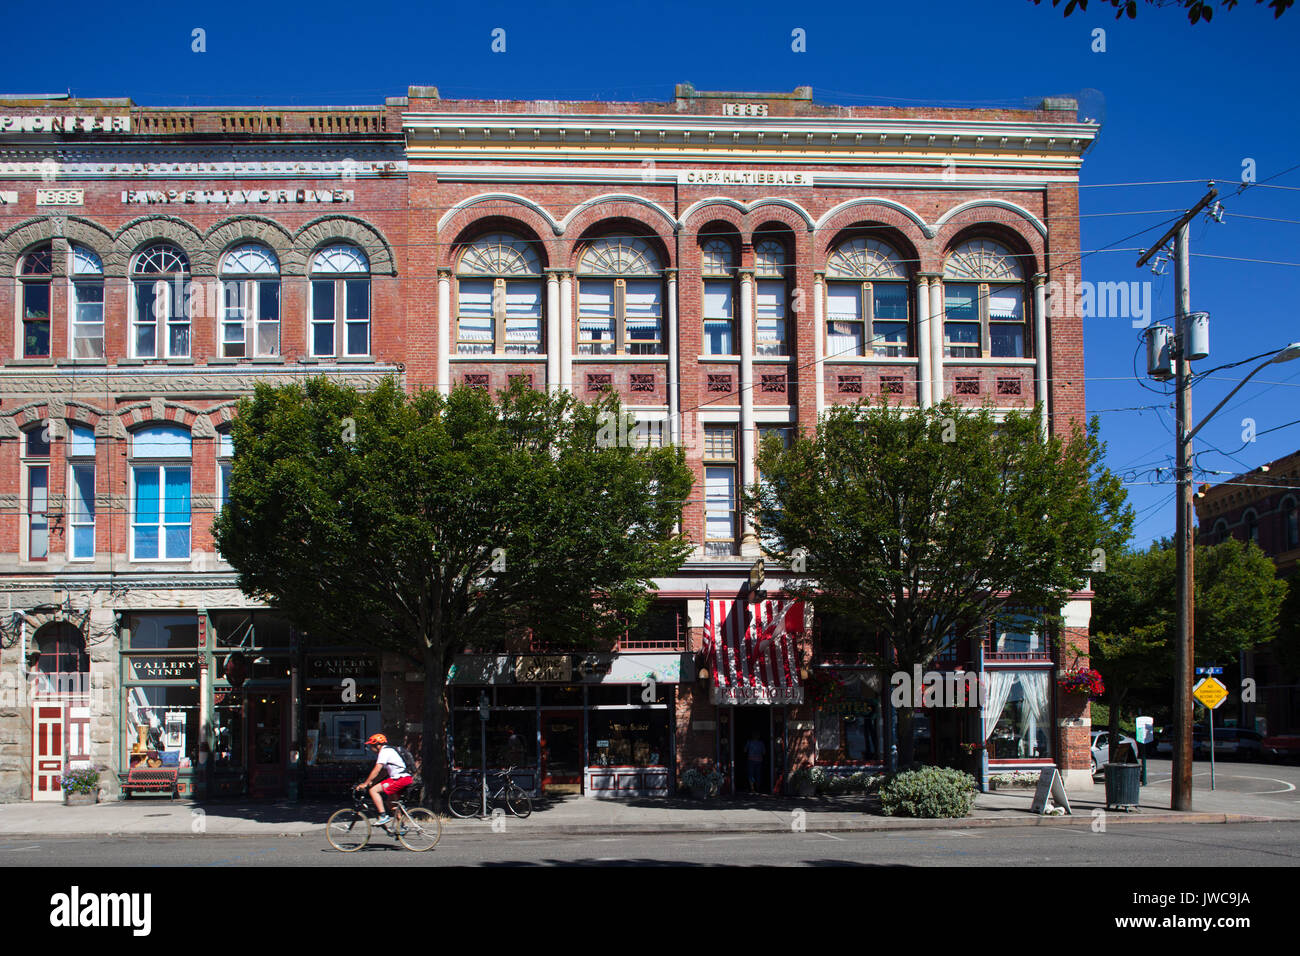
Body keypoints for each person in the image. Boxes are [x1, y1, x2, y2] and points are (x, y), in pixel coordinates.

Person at [354, 733, 413, 827]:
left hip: (399, 779)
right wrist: (372, 782)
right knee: (391, 803)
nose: (371, 749)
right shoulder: (388, 751)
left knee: (373, 791)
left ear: (377, 745)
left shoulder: (384, 752)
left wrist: (365, 784)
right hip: (404, 778)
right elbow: (384, 772)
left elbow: (377, 769)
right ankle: (401, 827)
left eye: (371, 746)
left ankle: (383, 816)